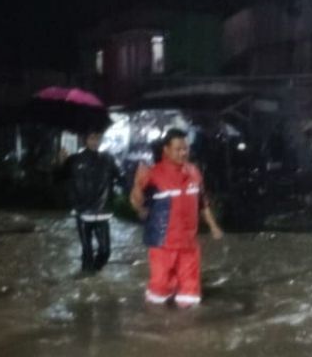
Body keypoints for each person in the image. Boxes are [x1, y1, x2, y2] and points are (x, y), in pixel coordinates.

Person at [129, 128, 223, 308]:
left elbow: (202, 203)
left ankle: (187, 331)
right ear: (166, 149)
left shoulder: (194, 172)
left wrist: (213, 226)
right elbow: (136, 204)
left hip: (188, 243)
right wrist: (137, 184)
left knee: (190, 295)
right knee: (159, 290)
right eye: (178, 149)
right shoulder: (153, 174)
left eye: (185, 149)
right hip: (163, 244)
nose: (183, 153)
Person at [64, 131, 122, 276]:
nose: (95, 141)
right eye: (92, 138)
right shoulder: (74, 160)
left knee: (105, 250)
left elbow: (120, 177)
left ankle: (94, 270)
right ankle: (87, 275)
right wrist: (61, 163)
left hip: (102, 211)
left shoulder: (108, 159)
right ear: (85, 140)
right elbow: (61, 179)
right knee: (87, 249)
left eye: (98, 138)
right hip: (82, 212)